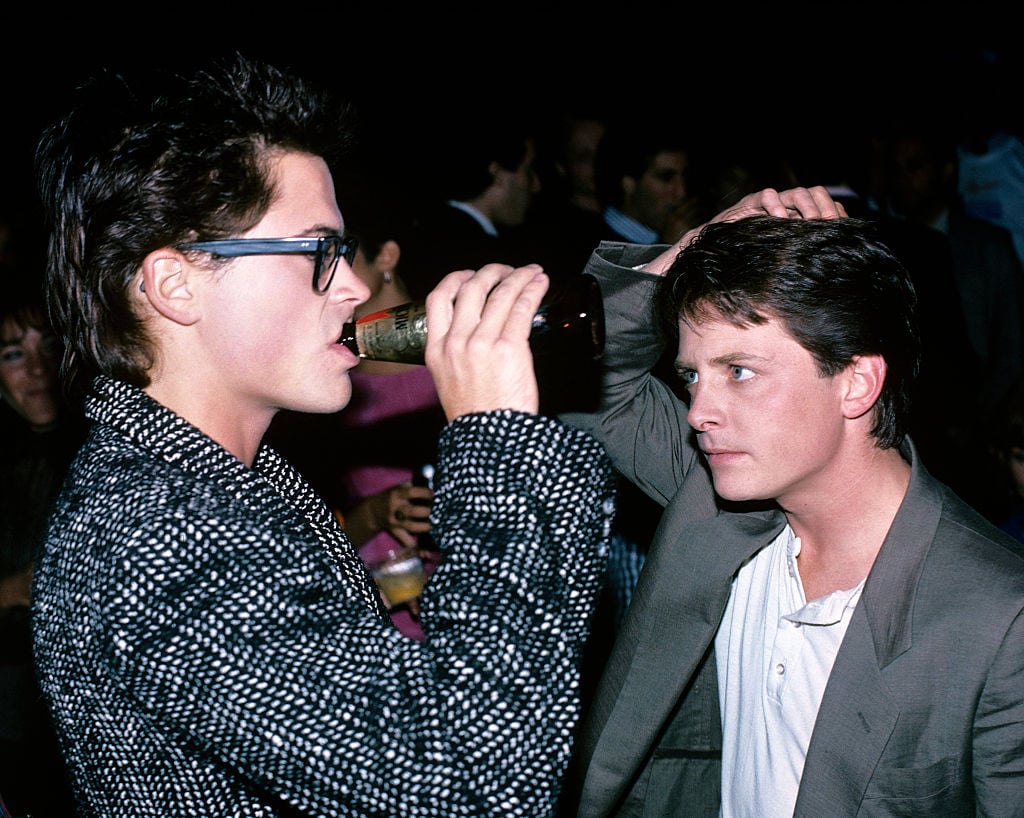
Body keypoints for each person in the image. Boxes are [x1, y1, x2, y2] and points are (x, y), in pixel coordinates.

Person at [29, 52, 617, 817]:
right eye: (316, 252)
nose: (354, 287)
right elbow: (471, 783)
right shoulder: (156, 532)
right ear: (175, 284)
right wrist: (493, 435)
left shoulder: (224, 479)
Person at [559, 194, 1024, 816]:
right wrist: (697, 245)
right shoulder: (719, 507)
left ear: (856, 383)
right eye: (692, 376)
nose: (698, 412)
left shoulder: (998, 619)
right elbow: (592, 380)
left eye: (740, 372)